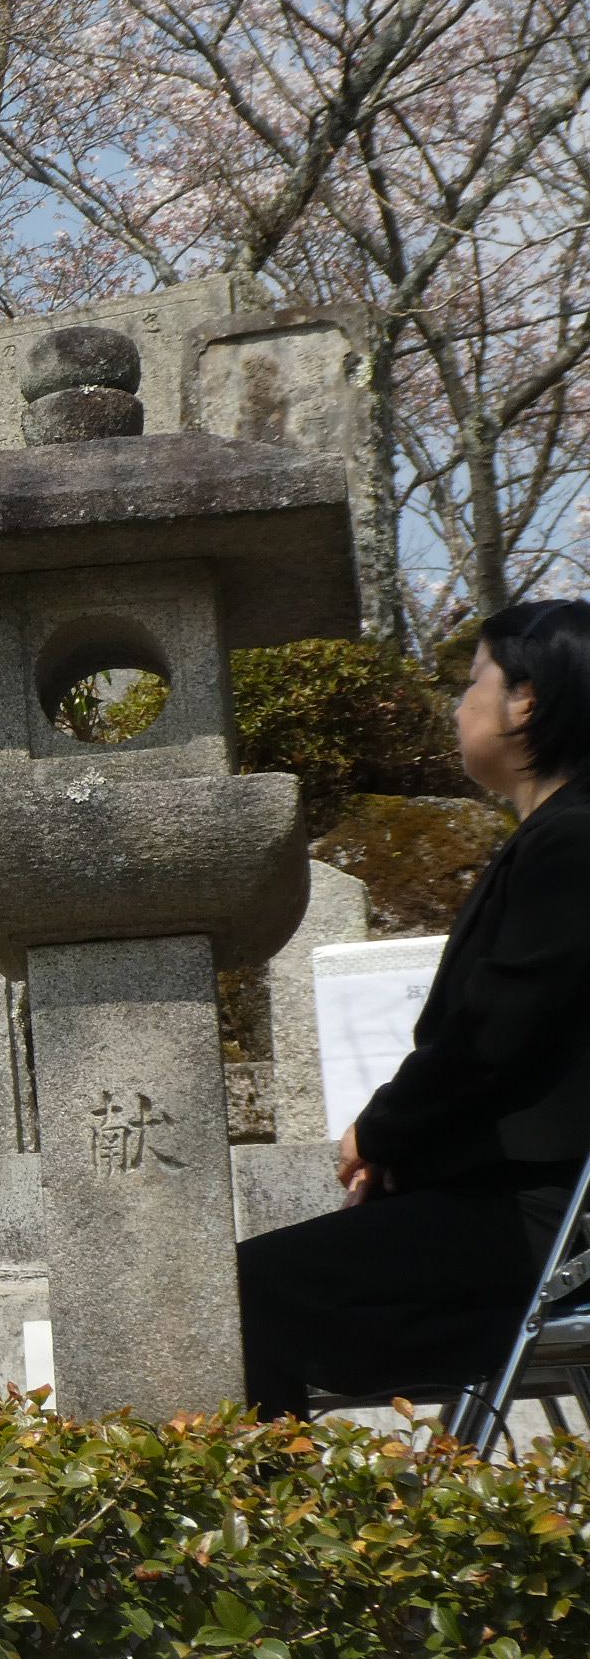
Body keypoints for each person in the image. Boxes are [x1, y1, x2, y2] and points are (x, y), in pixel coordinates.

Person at [239, 598, 590, 1421]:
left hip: (539, 1222)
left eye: (475, 682)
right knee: (284, 1294)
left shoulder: (572, 843)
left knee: (245, 1294)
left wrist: (381, 1131)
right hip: (518, 1206)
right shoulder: (554, 838)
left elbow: (494, 1036)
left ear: (527, 700)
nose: (458, 704)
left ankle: (275, 1543)